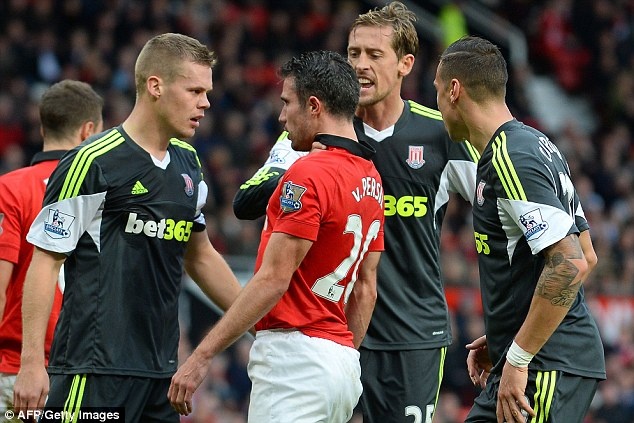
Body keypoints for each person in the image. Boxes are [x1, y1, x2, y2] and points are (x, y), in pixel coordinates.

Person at [232, 3, 478, 422]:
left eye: (374, 54)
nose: (360, 64)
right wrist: (311, 166)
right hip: (328, 331)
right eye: (353, 53)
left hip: (411, 335)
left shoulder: (440, 133)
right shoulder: (317, 129)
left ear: (405, 64)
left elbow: (498, 208)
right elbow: (246, 201)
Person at [12, 33, 243, 422]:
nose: (205, 102)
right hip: (93, 371)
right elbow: (45, 262)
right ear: (155, 86)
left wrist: (260, 320)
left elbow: (201, 256)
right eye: (194, 91)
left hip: (161, 376)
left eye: (206, 92)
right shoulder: (92, 162)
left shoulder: (188, 163)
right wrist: (32, 363)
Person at [169, 50, 385, 422]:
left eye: (287, 103)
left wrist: (201, 356)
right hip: (342, 364)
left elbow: (273, 279)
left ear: (314, 106)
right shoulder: (372, 179)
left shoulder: (307, 174)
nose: (282, 117)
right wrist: (342, 355)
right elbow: (366, 290)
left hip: (294, 364)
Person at [433, 35, 605, 423]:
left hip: (544, 366)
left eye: (438, 91)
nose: (438, 104)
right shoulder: (534, 145)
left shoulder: (512, 157)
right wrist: (507, 338)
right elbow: (587, 254)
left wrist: (519, 354)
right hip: (534, 358)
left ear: (454, 90)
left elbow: (571, 264)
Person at [0, 80, 103, 418]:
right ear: (89, 131)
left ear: (43, 127)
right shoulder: (105, 194)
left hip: (17, 375)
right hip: (86, 374)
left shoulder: (8, 189)